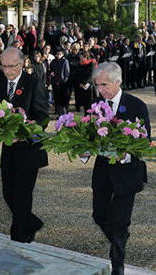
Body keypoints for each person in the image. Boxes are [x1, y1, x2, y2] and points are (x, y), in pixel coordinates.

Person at [90, 62, 151, 275]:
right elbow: (90, 134)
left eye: (104, 84)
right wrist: (84, 149)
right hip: (103, 172)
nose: (101, 90)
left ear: (118, 82)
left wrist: (126, 154)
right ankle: (120, 238)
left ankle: (118, 266)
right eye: (98, 85)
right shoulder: (97, 103)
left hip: (127, 174)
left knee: (119, 222)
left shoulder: (136, 105)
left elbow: (145, 141)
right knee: (99, 215)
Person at [0, 47, 49, 243]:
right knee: (8, 193)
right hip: (8, 149)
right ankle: (31, 223)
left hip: (29, 150)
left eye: (12, 66)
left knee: (22, 196)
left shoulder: (33, 82)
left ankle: (20, 238)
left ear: (23, 63)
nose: (7, 70)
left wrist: (25, 133)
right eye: (3, 66)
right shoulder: (0, 81)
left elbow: (43, 117)